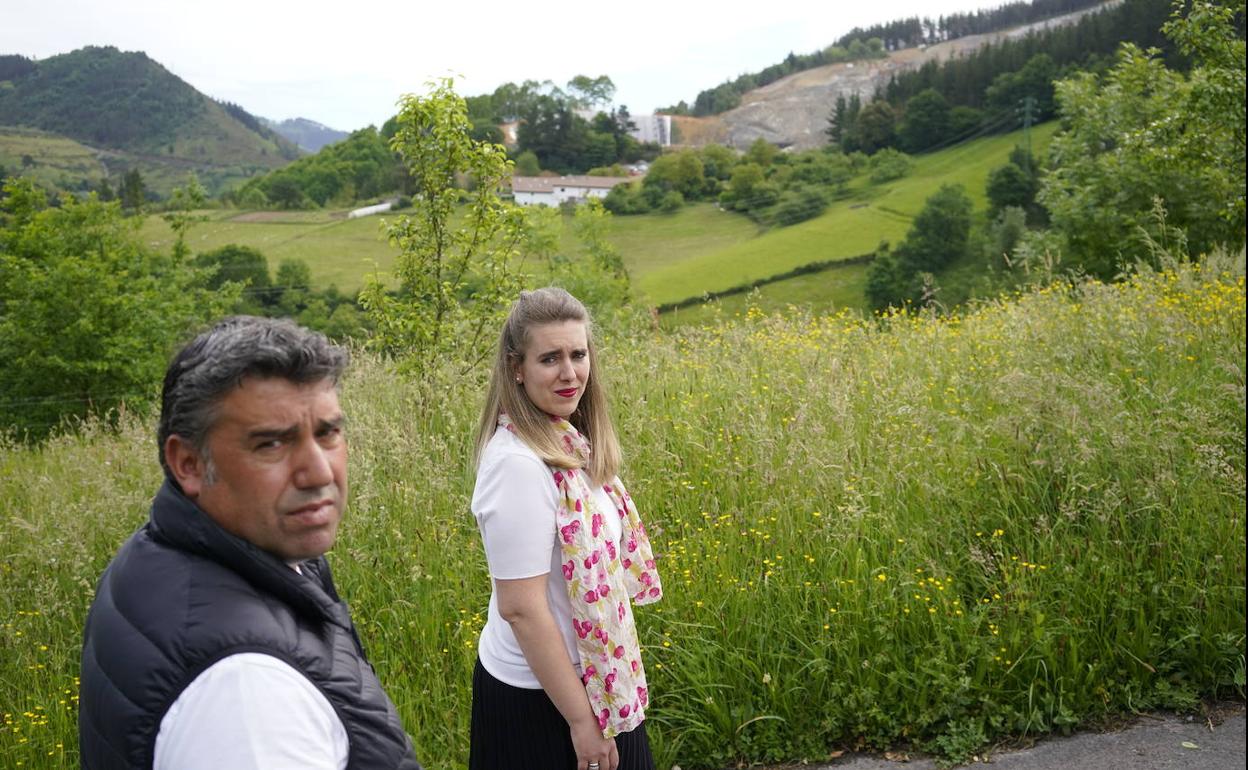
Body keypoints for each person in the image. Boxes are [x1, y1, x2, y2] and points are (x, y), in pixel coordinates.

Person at [78, 316, 422, 770]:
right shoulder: (248, 700)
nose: (319, 472)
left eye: (327, 433)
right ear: (189, 463)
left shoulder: (165, 551)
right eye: (271, 444)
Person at [469, 288, 663, 770]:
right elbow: (521, 609)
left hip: (599, 678)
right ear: (517, 367)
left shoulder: (570, 439)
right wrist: (582, 722)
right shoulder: (517, 464)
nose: (569, 372)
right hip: (545, 699)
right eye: (549, 358)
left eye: (578, 354)